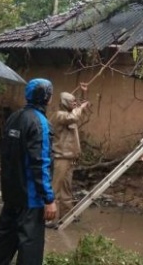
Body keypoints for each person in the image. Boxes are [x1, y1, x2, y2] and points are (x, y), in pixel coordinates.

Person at [0, 78, 57, 265]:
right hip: (31, 197)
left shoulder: (14, 117)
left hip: (11, 192)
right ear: (46, 97)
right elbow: (41, 163)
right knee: (30, 244)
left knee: (5, 236)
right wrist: (49, 199)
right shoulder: (40, 123)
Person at [48, 82, 90, 227]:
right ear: (65, 103)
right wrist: (79, 107)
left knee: (67, 188)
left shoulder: (71, 113)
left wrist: (84, 94)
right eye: (72, 101)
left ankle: (66, 215)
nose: (75, 103)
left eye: (75, 101)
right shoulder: (60, 115)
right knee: (56, 188)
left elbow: (81, 113)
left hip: (70, 157)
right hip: (61, 157)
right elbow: (74, 117)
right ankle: (50, 218)